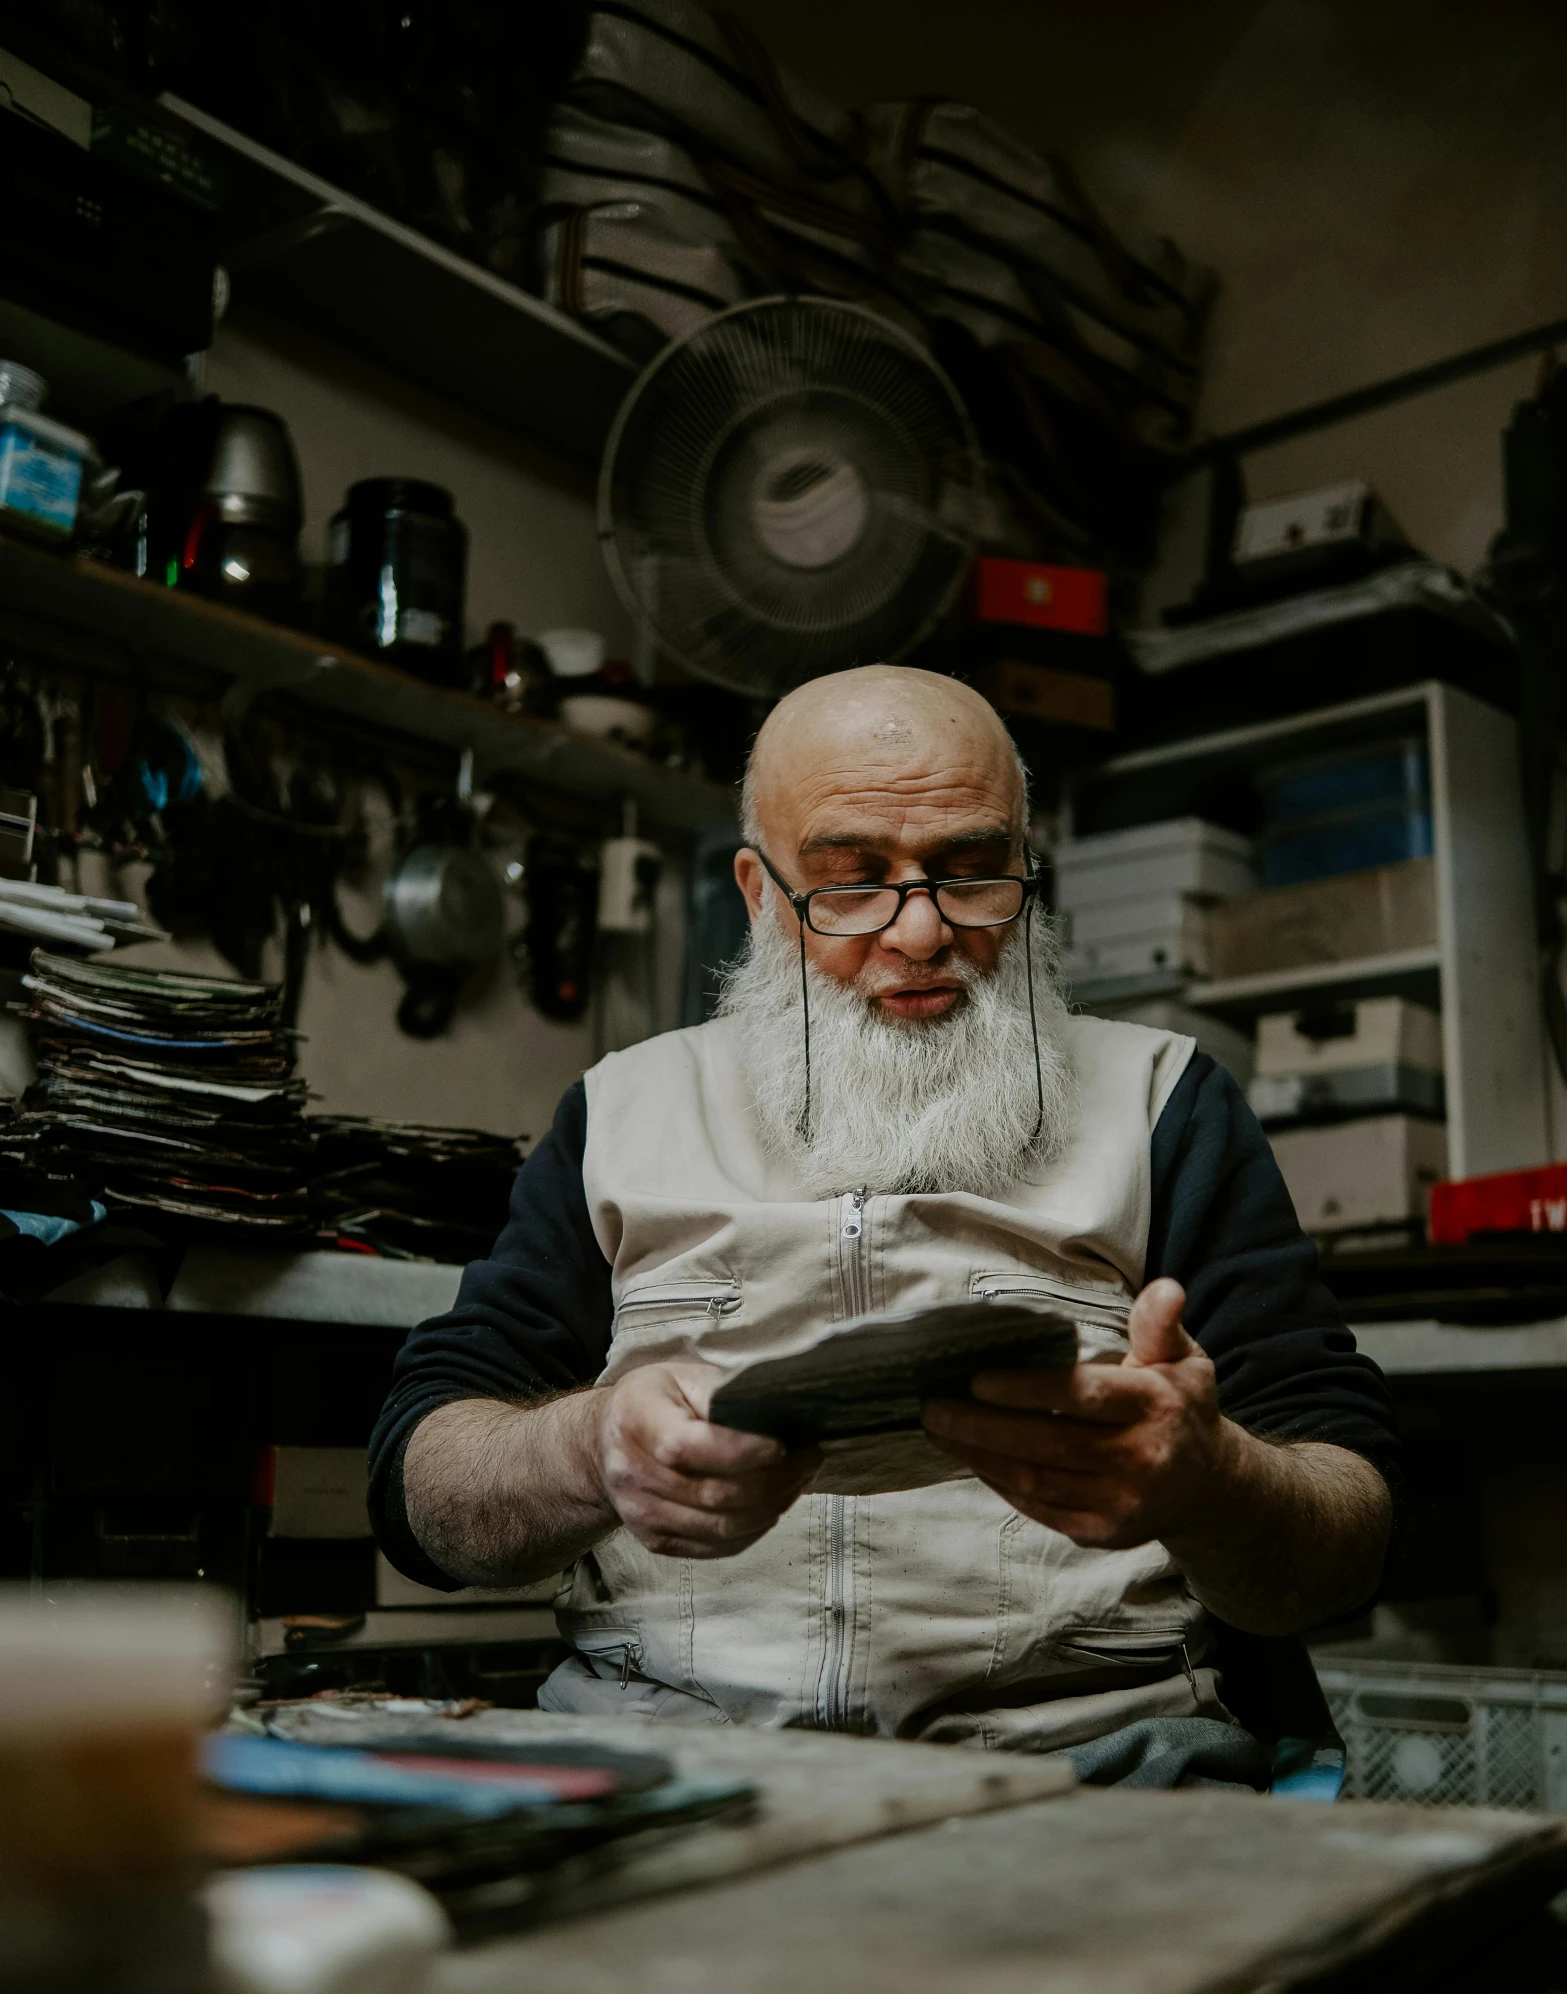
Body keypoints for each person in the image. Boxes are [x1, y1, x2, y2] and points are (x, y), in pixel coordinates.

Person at [370, 666, 1396, 1780]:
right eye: (849, 883)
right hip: (674, 1771)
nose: (917, 932)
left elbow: (1348, 1532)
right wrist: (588, 1448)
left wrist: (1211, 1483)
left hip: (1088, 1775)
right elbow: (422, 1487)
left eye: (969, 873)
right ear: (759, 894)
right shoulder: (624, 1110)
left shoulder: (1164, 1101)